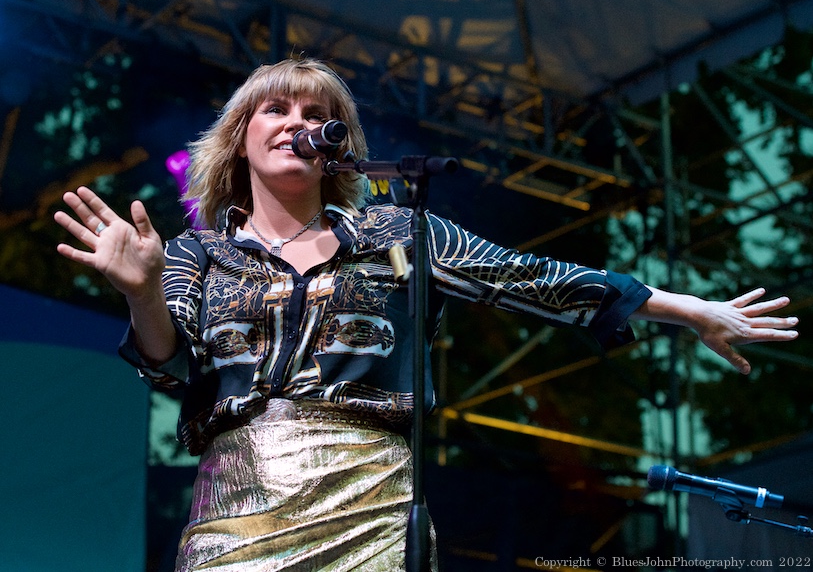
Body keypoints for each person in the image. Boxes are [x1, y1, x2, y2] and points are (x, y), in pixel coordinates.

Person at [54, 58, 799, 571]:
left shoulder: (397, 233)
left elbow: (530, 277)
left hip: (370, 498)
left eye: (317, 114)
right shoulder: (197, 253)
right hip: (237, 508)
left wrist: (690, 308)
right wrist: (142, 289)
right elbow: (166, 360)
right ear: (240, 135)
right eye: (274, 109)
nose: (295, 122)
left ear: (337, 145)